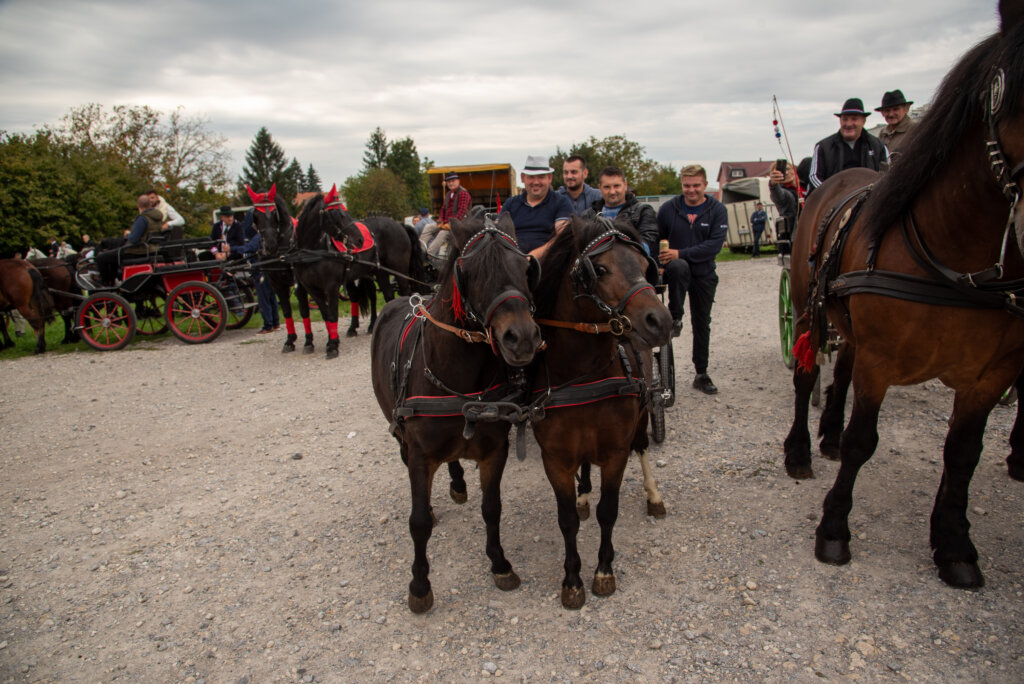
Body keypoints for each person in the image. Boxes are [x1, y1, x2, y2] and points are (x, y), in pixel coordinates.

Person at [656, 164, 728, 395]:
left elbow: (713, 246)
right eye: (687, 186)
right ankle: (675, 316)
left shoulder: (717, 210)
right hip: (676, 273)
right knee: (678, 266)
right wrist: (659, 263)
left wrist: (680, 253)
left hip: (704, 273)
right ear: (682, 185)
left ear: (705, 185)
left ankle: (701, 373)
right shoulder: (668, 209)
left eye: (696, 185)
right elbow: (657, 238)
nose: (691, 190)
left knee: (702, 323)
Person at [808, 98, 888, 193]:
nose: (848, 124)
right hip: (833, 199)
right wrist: (832, 194)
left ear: (863, 121)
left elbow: (887, 175)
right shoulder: (823, 147)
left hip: (869, 197)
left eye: (854, 119)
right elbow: (814, 178)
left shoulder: (879, 146)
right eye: (845, 119)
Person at [499, 155, 574, 255]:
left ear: (549, 178)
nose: (536, 182)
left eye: (541, 177)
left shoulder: (561, 202)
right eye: (531, 177)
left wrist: (534, 255)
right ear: (523, 178)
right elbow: (498, 232)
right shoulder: (510, 204)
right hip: (513, 259)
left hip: (550, 260)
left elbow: (562, 237)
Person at [581, 166, 658, 254]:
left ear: (625, 185)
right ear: (600, 188)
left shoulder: (643, 212)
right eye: (607, 187)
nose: (612, 191)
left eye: (616, 186)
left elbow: (646, 245)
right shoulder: (588, 215)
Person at [95, 194, 163, 286]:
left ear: (138, 205)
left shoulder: (142, 218)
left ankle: (106, 282)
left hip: (138, 250)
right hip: (153, 249)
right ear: (150, 204)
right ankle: (112, 280)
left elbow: (134, 239)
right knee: (113, 254)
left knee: (102, 257)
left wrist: (128, 234)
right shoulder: (157, 218)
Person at [768, 161, 800, 253]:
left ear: (794, 170)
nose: (786, 172)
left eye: (788, 169)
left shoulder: (805, 186)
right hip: (796, 237)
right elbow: (777, 195)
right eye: (781, 171)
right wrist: (773, 184)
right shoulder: (785, 193)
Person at [875, 89, 917, 155]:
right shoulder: (883, 133)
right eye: (887, 110)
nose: (891, 114)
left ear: (906, 109)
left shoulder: (916, 130)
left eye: (895, 109)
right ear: (882, 113)